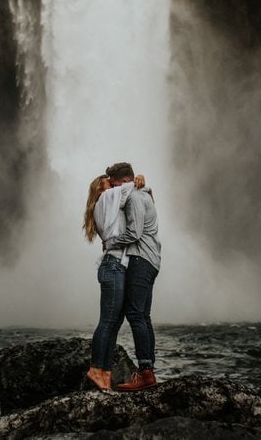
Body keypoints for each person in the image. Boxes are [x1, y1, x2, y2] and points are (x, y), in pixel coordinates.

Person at [103, 161, 161, 391]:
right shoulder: (143, 195)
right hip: (151, 260)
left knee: (135, 314)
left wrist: (111, 242)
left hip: (141, 259)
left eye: (116, 186)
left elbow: (135, 233)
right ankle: (148, 370)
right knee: (143, 316)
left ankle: (145, 373)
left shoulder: (135, 198)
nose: (115, 191)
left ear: (125, 182)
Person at [82, 169, 139, 391]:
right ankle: (96, 368)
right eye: (109, 184)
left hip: (114, 266)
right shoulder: (106, 198)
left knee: (113, 323)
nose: (113, 186)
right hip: (113, 266)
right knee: (108, 322)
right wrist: (140, 179)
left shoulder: (103, 203)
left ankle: (104, 374)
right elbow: (131, 187)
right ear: (101, 189)